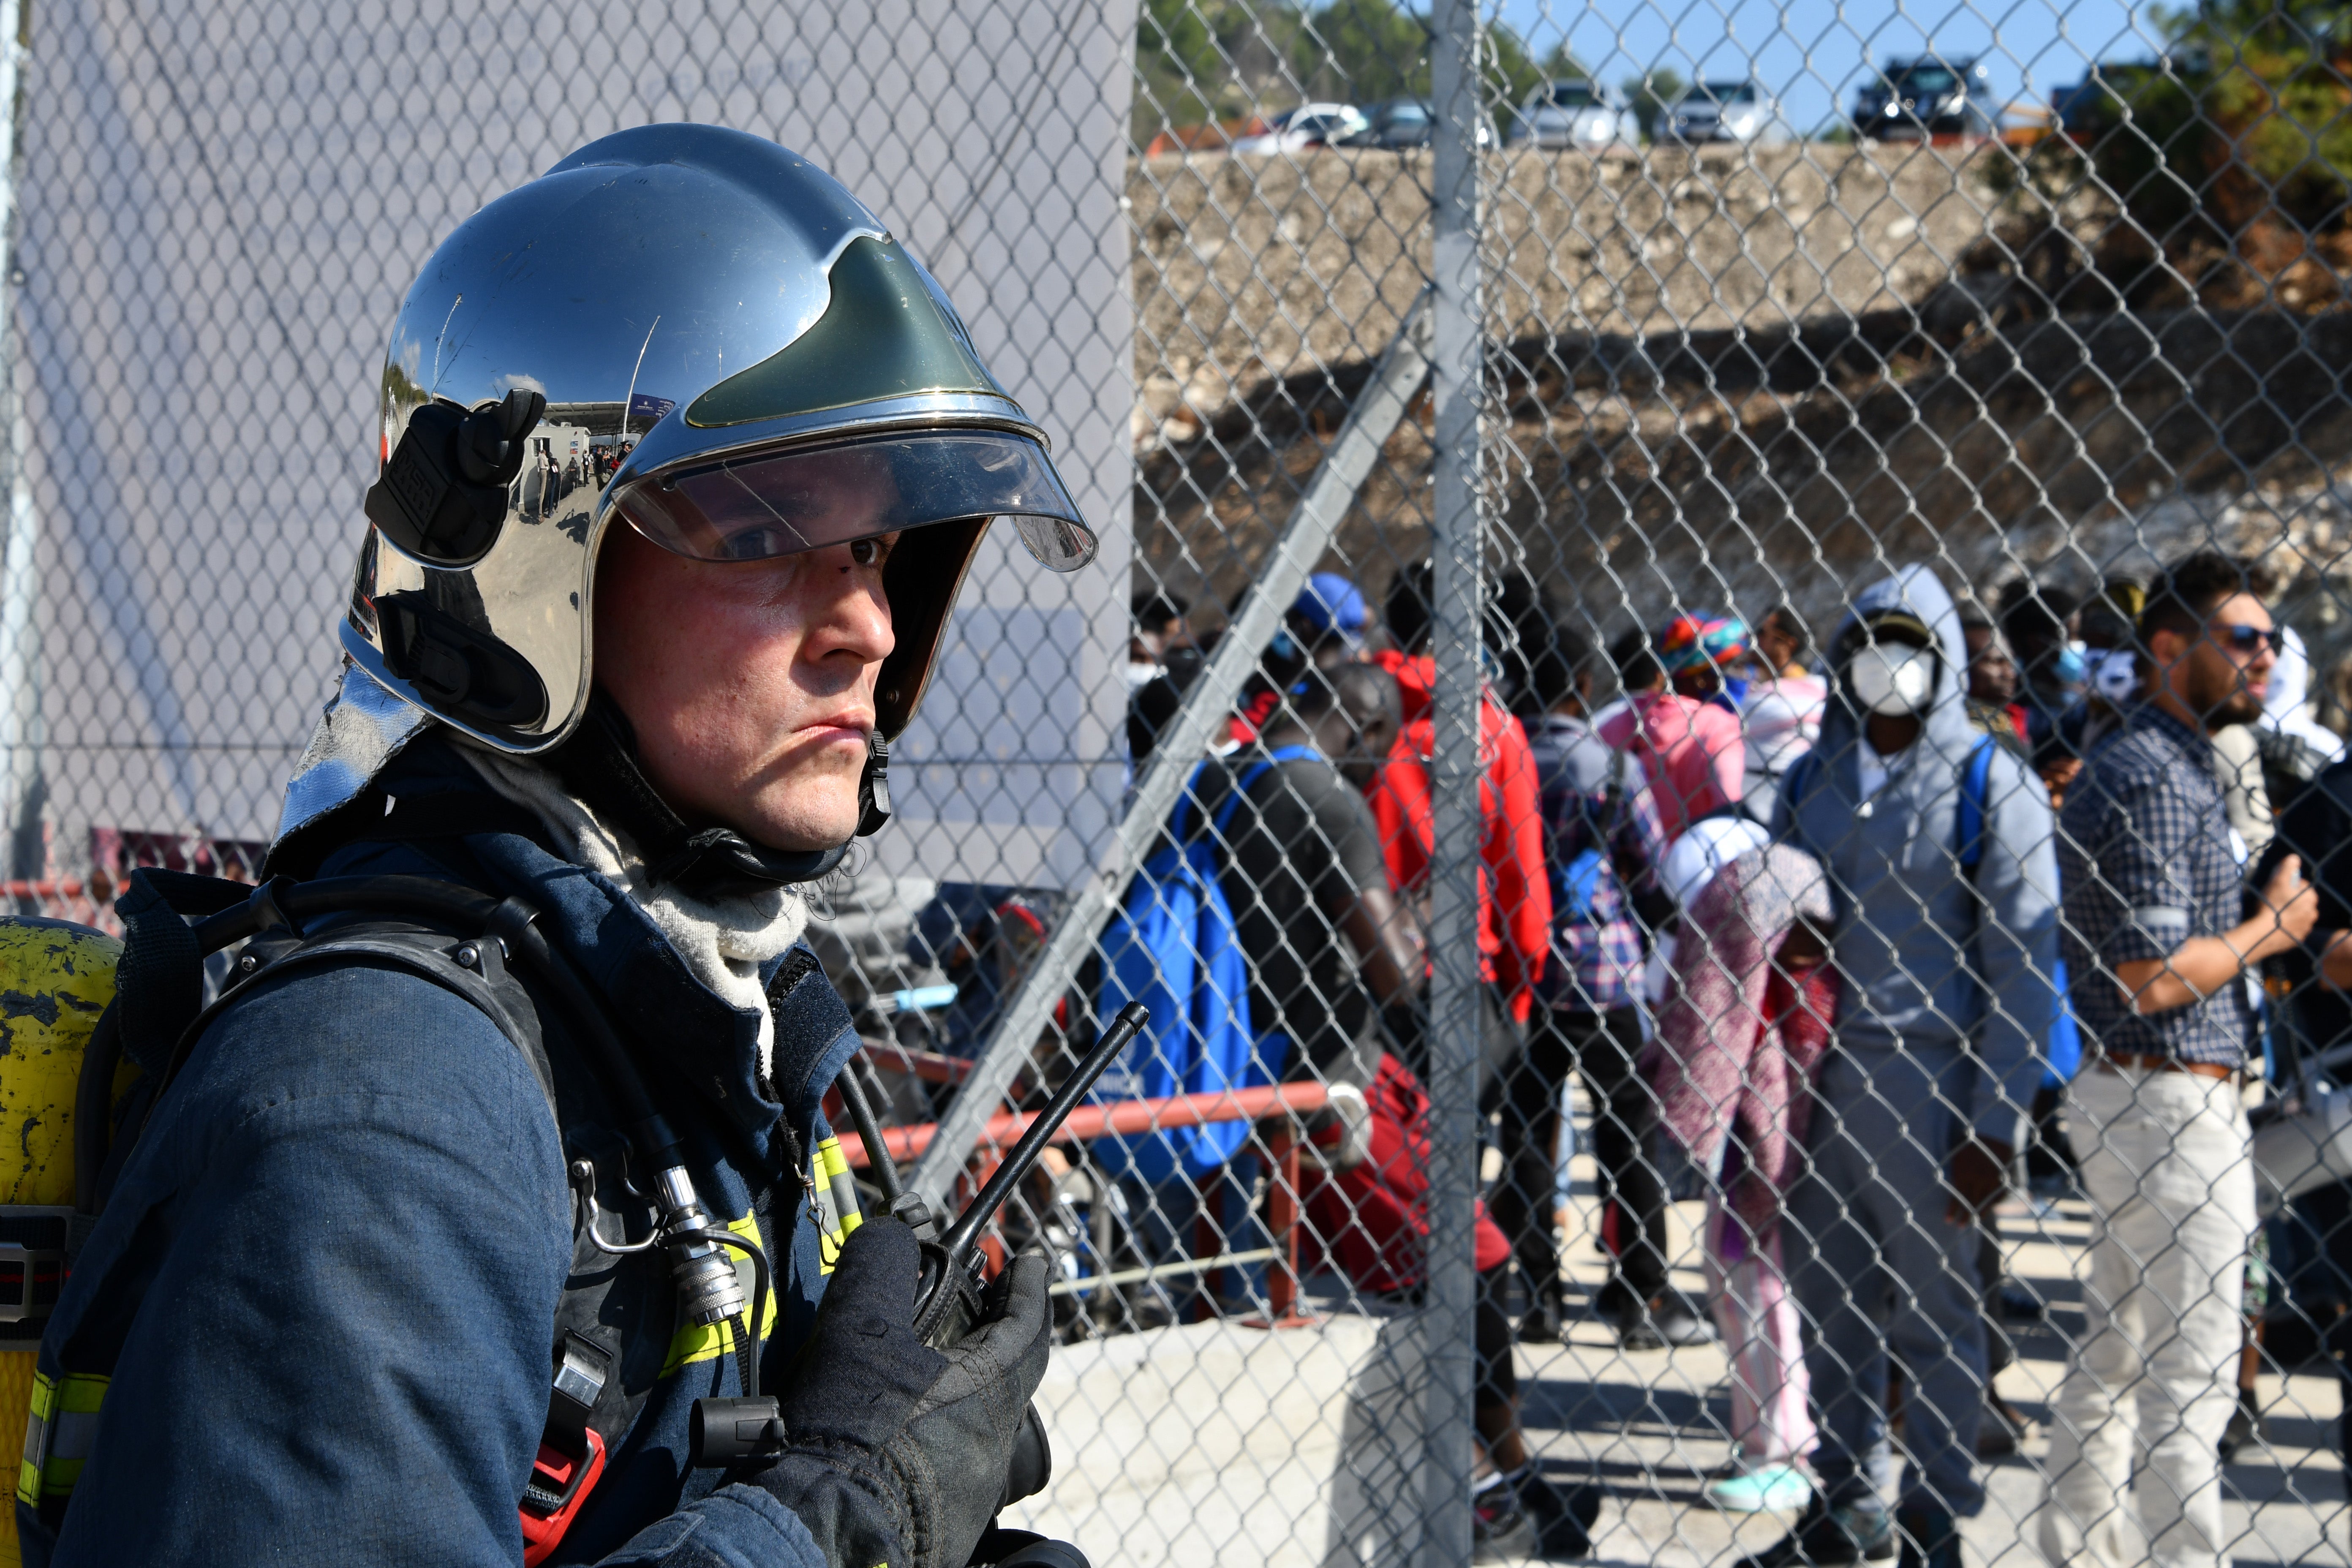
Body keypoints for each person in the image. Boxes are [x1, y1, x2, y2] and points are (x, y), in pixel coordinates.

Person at [21, 128, 1096, 1568]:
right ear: (535, 568)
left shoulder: (679, 1023)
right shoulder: (382, 1106)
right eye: (772, 527)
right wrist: (840, 1518)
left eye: (873, 551)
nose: (870, 627)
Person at [1752, 565, 2061, 1568]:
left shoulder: (1988, 777)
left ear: (1945, 659)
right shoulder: (1812, 779)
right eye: (1870, 640)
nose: (1887, 661)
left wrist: (1994, 1123)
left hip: (1930, 1080)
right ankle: (1845, 1504)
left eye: (1908, 640)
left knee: (1935, 1314)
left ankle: (1934, 1513)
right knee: (1828, 1301)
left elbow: (2023, 962)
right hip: (1814, 1079)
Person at [2034, 550, 2317, 1568]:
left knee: (2114, 1353)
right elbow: (2151, 978)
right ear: (2169, 648)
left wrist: (2279, 935)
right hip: (2165, 1101)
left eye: (2270, 643)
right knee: (2188, 1378)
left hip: (2137, 1097)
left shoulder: (2168, 762)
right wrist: (2272, 932)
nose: (2263, 659)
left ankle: (2079, 1550)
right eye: (2241, 639)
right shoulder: (2154, 775)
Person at [1302, 1050, 1601, 1561]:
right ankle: (1490, 1498)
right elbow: (1395, 978)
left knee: (1463, 1268)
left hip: (1361, 1067)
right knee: (1456, 1260)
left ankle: (1513, 1477)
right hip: (1337, 1086)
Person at [1503, 626, 1696, 1350]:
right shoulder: (1612, 766)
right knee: (1627, 1135)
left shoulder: (1505, 758)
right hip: (1605, 975)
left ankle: (1538, 1295)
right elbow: (1647, 872)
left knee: (1526, 1134)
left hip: (1524, 978)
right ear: (1584, 683)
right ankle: (1639, 1296)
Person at [1645, 844, 1836, 1516]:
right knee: (1740, 1284)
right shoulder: (1780, 972)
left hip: (1770, 1147)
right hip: (1751, 1145)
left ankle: (1782, 1450)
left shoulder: (1794, 987)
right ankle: (1766, 1439)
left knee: (1758, 1289)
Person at [1369, 561, 1552, 1051]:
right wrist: (1516, 996)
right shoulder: (1495, 730)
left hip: (1362, 965)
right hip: (1465, 972)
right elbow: (1521, 877)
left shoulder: (1351, 713)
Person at [1600, 614, 1749, 839]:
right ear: (1701, 678)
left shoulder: (1615, 724)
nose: (1745, 676)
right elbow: (1730, 809)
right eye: (1732, 666)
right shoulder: (1719, 727)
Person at [1743, 607, 1828, 822]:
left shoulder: (1814, 693)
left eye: (1762, 633)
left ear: (1788, 644)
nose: (1753, 640)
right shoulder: (1759, 691)